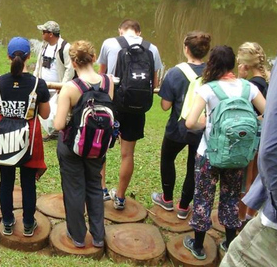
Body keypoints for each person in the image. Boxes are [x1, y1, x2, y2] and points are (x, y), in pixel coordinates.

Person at [183, 45, 265, 260]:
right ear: (233, 64)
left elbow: (190, 123)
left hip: (209, 154)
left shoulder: (208, 89)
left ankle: (198, 246)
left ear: (213, 64)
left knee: (203, 198)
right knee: (230, 198)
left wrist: (210, 123)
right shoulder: (249, 88)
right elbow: (268, 115)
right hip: (237, 156)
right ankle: (229, 242)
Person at [0, 37, 50, 237]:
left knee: (6, 181)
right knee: (28, 183)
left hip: (5, 140)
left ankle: (7, 222)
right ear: (28, 57)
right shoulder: (38, 84)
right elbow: (46, 114)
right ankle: (28, 224)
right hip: (28, 142)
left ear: (7, 57)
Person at [54, 40, 113, 248]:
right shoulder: (108, 82)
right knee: (95, 186)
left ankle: (78, 236)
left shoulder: (71, 87)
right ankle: (98, 236)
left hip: (73, 147)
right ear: (94, 58)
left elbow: (59, 124)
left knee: (74, 189)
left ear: (72, 62)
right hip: (98, 146)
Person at [97, 18, 163, 206]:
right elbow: (155, 84)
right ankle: (120, 197)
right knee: (128, 154)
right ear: (138, 32)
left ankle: (102, 190)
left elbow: (102, 76)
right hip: (136, 107)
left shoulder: (109, 43)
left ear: (121, 31)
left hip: (111, 105)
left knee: (101, 149)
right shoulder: (152, 48)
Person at [220, 56, 277, 267]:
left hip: (240, 146)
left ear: (244, 65)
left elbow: (270, 149)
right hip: (251, 143)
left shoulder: (249, 85)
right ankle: (242, 222)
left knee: (243, 184)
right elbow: (264, 113)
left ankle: (244, 220)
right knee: (247, 183)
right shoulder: (261, 85)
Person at [151, 31, 211, 219]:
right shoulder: (213, 72)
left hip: (178, 128)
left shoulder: (175, 72)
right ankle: (184, 207)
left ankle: (167, 199)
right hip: (202, 128)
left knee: (167, 159)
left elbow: (165, 105)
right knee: (194, 166)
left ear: (186, 49)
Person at [236, 42, 270, 223]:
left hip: (251, 136)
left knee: (244, 179)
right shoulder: (268, 79)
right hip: (264, 135)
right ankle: (251, 214)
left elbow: (241, 108)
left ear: (246, 64)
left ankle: (240, 217)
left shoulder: (250, 85)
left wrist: (240, 79)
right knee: (256, 176)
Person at [34, 20, 74, 141]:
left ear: (50, 34)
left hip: (58, 86)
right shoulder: (44, 46)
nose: (42, 34)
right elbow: (38, 64)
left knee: (60, 110)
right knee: (43, 108)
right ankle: (50, 131)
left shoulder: (65, 47)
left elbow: (70, 68)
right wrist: (35, 80)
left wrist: (62, 86)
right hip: (43, 84)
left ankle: (61, 132)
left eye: (44, 32)